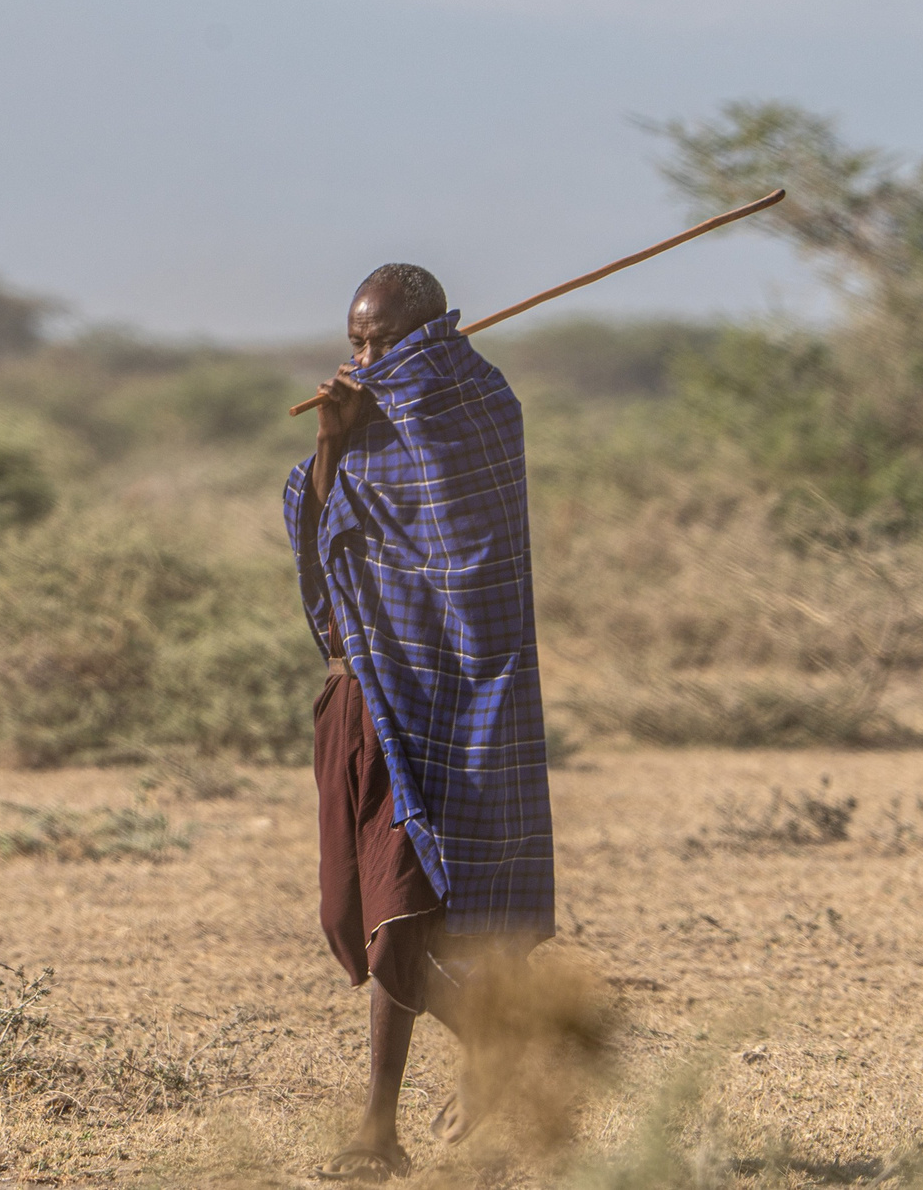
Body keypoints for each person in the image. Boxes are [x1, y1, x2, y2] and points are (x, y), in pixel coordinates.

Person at [283, 263, 557, 1182]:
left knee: (399, 918)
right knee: (377, 912)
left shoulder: (471, 410)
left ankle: (475, 1064)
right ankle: (379, 1128)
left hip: (446, 697)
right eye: (355, 341)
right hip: (359, 691)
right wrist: (334, 442)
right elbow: (322, 542)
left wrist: (362, 434)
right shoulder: (357, 425)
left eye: (382, 340)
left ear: (432, 332)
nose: (365, 356)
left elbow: (466, 556)